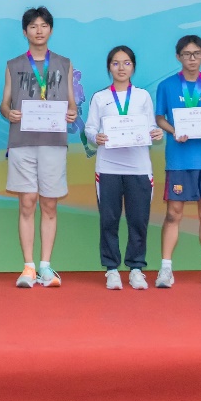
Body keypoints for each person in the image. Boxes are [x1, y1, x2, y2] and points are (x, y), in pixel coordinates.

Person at [0, 6, 77, 289]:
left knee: (49, 203)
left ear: (51, 30)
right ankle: (28, 267)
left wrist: (72, 113)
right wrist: (9, 113)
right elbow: (4, 103)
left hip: (53, 142)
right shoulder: (13, 64)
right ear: (25, 32)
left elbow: (71, 103)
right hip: (23, 142)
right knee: (27, 202)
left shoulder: (64, 63)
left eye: (44, 25)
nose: (39, 30)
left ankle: (46, 266)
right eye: (33, 26)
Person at [84, 46, 163, 291]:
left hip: (138, 168)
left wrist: (156, 133)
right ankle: (111, 269)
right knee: (109, 220)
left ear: (133, 67)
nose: (121, 68)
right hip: (108, 167)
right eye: (116, 63)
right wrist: (95, 137)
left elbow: (151, 126)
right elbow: (90, 128)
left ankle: (136, 268)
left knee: (138, 220)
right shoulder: (100, 97)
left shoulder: (142, 96)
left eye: (126, 63)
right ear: (109, 67)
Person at [154, 34, 201, 288]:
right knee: (173, 214)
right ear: (178, 57)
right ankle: (166, 269)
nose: (192, 59)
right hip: (179, 160)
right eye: (187, 54)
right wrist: (174, 131)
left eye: (196, 54)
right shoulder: (166, 86)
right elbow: (159, 118)